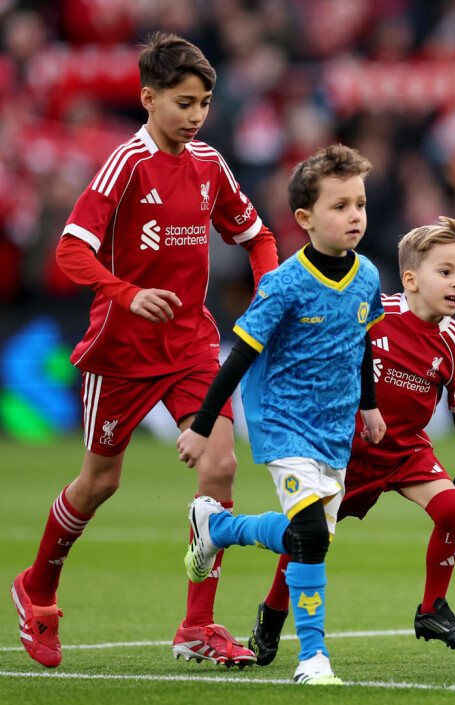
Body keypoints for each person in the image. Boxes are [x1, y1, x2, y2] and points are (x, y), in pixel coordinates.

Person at [9, 32, 278, 669]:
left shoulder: (211, 163)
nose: (196, 115)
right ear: (147, 98)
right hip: (122, 351)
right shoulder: (123, 164)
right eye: (184, 102)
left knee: (221, 467)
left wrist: (267, 290)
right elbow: (71, 249)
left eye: (205, 103)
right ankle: (37, 589)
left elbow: (258, 234)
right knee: (100, 482)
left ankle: (196, 626)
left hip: (190, 344)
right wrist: (125, 294)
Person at [176, 144, 384, 685]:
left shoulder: (367, 277)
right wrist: (202, 427)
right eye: (339, 206)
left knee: (306, 540)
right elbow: (239, 355)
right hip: (282, 422)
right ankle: (313, 658)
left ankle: (216, 526)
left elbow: (360, 341)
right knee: (310, 533)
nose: (355, 215)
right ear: (305, 218)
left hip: (335, 430)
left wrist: (369, 406)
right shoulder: (284, 284)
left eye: (359, 203)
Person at [248, 216, 455, 667]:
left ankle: (432, 608)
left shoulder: (454, 339)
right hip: (348, 453)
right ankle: (273, 611)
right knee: (309, 538)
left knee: (453, 507)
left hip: (407, 451)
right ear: (411, 279)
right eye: (446, 272)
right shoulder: (375, 316)